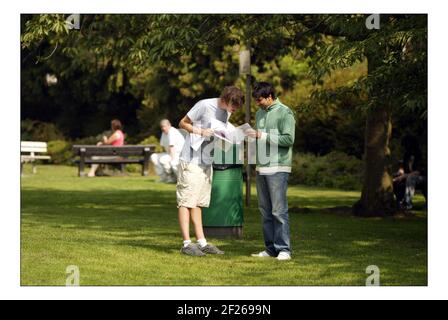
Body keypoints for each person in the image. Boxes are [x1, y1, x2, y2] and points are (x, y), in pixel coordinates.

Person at [177, 86, 245, 256]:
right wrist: (201, 131)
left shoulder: (226, 113)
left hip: (207, 162)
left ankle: (202, 243)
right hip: (191, 160)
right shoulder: (204, 105)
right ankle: (186, 244)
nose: (234, 110)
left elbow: (220, 136)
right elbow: (182, 123)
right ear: (225, 99)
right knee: (186, 202)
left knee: (199, 203)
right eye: (233, 106)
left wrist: (232, 138)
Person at [247, 82, 296, 261]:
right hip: (262, 167)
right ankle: (270, 249)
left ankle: (284, 250)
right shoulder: (260, 113)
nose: (257, 103)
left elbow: (289, 139)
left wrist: (263, 136)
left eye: (259, 100)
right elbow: (259, 139)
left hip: (278, 167)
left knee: (278, 210)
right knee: (265, 211)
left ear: (269, 97)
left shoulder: (285, 112)